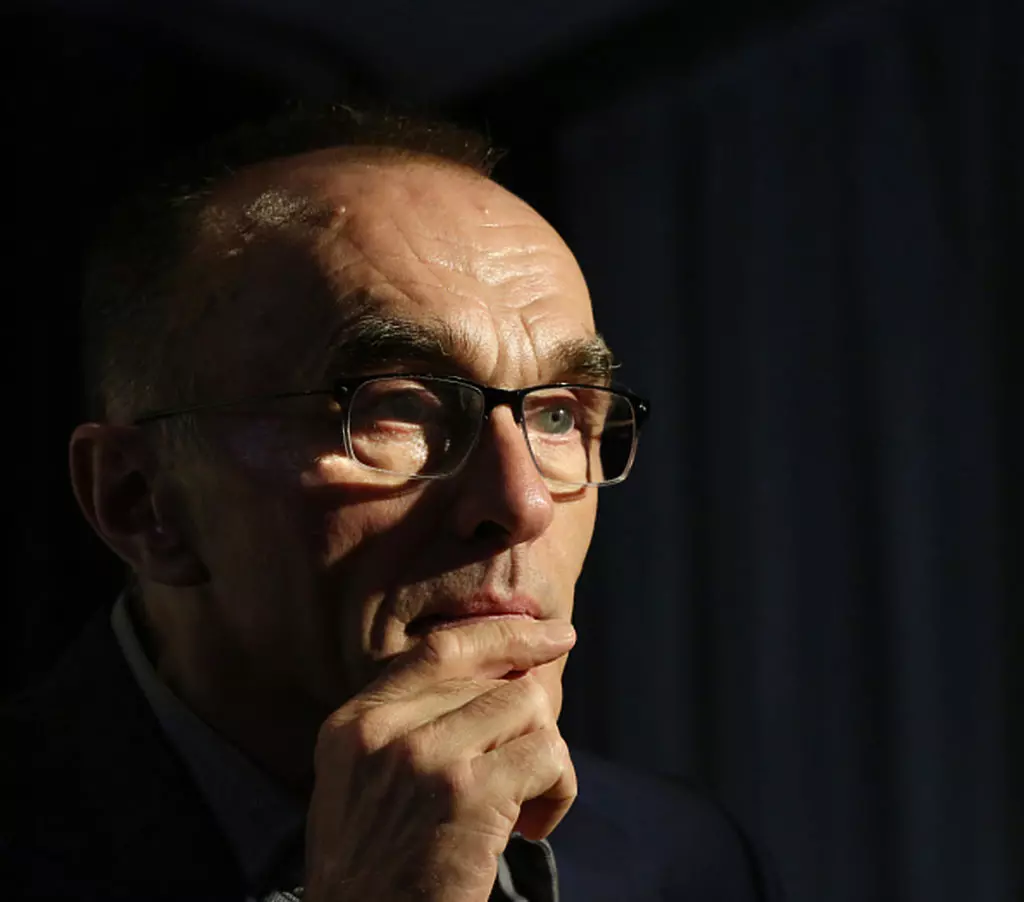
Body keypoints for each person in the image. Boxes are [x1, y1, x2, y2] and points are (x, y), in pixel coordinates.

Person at [1, 107, 780, 902]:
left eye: (557, 415)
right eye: (399, 406)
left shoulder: (681, 861)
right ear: (139, 500)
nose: (524, 504)